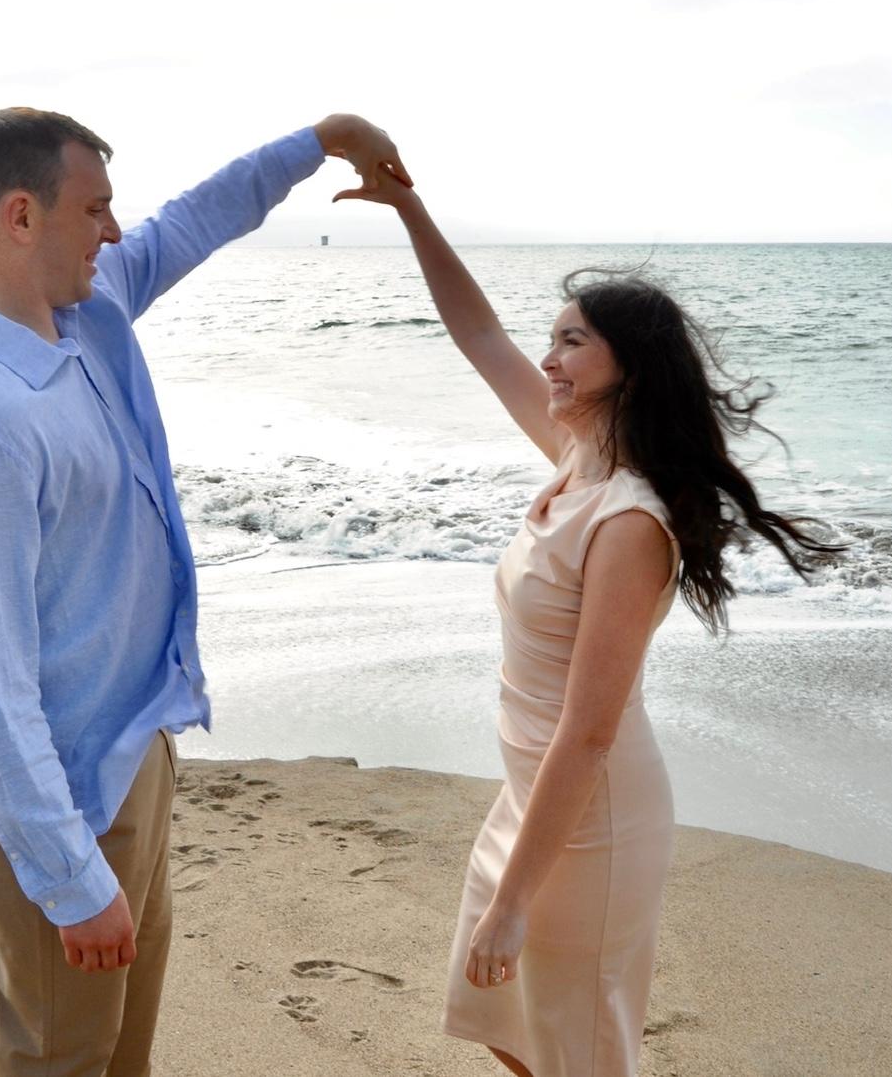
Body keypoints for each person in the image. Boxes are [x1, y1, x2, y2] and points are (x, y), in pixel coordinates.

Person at [0, 108, 410, 1077]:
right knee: (63, 1053)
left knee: (120, 1050)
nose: (114, 231)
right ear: (21, 216)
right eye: (95, 209)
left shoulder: (81, 309)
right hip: (51, 781)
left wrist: (319, 141)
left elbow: (189, 223)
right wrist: (69, 874)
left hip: (127, 741)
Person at [333, 172, 836, 1077]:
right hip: (530, 797)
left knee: (578, 1050)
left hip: (592, 819)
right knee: (501, 1021)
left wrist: (515, 900)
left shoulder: (629, 521)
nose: (549, 358)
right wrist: (409, 208)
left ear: (628, 368)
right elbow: (479, 335)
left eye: (572, 341)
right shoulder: (574, 461)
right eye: (553, 339)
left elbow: (592, 731)